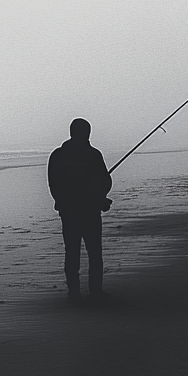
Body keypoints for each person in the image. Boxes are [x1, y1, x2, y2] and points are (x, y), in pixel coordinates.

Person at [47, 118, 113, 303]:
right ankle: (95, 292)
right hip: (89, 211)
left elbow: (53, 183)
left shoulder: (58, 155)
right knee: (94, 254)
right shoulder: (93, 155)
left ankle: (74, 293)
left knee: (72, 253)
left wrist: (60, 202)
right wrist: (101, 199)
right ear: (87, 133)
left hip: (69, 213)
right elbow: (105, 182)